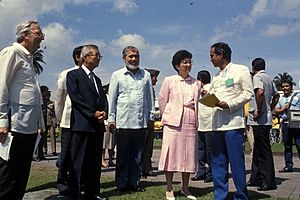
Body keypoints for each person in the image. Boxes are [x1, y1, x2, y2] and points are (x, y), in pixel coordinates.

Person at [0, 20, 45, 200]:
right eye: (38, 33)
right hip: (14, 126)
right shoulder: (12, 53)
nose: (42, 37)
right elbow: (1, 87)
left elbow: (34, 96)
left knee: (21, 174)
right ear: (25, 35)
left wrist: (39, 123)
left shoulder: (28, 59)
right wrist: (2, 120)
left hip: (29, 127)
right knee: (7, 174)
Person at [107, 46, 155, 192]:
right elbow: (112, 99)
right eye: (130, 56)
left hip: (140, 122)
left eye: (136, 56)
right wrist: (111, 118)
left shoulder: (145, 75)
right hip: (123, 122)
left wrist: (151, 116)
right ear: (124, 58)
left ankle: (134, 183)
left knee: (137, 156)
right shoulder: (117, 75)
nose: (134, 59)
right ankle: (121, 184)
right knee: (122, 156)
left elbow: (149, 98)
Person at [209, 42, 253, 200]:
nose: (211, 59)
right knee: (218, 163)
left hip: (233, 124)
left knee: (236, 163)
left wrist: (230, 104)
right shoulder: (217, 76)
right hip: (217, 125)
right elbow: (211, 93)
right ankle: (220, 195)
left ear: (221, 55)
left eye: (212, 55)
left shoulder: (240, 70)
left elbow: (248, 93)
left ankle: (241, 196)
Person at [66, 44, 108, 200]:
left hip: (97, 127)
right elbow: (76, 98)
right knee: (78, 162)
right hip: (82, 125)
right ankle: (75, 194)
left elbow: (102, 99)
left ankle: (93, 193)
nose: (98, 58)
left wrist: (104, 112)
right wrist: (92, 113)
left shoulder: (97, 79)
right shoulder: (73, 75)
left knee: (94, 163)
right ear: (85, 57)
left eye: (99, 55)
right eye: (95, 55)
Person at [158, 50, 201, 200]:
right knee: (171, 154)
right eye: (184, 62)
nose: (188, 65)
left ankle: (185, 188)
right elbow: (162, 101)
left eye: (189, 62)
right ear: (177, 65)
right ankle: (169, 188)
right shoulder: (169, 80)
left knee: (188, 154)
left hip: (190, 121)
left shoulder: (197, 83)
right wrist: (168, 116)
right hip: (173, 122)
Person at [247, 58, 279, 191]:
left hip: (259, 120)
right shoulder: (269, 79)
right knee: (259, 148)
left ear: (253, 67)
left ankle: (268, 180)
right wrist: (269, 108)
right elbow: (276, 96)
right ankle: (255, 177)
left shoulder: (257, 78)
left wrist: (259, 110)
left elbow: (259, 92)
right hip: (266, 119)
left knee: (263, 150)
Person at [55, 45, 83, 196]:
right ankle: (62, 184)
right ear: (78, 57)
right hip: (68, 120)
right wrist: (60, 119)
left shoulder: (90, 76)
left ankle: (77, 183)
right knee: (65, 155)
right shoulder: (66, 74)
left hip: (84, 123)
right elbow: (59, 99)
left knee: (80, 154)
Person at [191, 70, 213, 183]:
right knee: (200, 150)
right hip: (200, 125)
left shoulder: (210, 88)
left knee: (209, 151)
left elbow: (214, 103)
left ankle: (210, 173)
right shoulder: (198, 91)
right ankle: (201, 172)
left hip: (209, 125)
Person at [275, 79, 300, 173]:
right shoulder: (280, 98)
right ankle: (288, 166)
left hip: (296, 123)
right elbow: (276, 111)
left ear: (291, 87)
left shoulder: (297, 96)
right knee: (287, 145)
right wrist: (283, 109)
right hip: (285, 123)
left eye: (286, 86)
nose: (285, 88)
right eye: (283, 86)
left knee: (299, 144)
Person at [141, 68, 160, 178]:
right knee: (143, 146)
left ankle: (147, 168)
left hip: (150, 121)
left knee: (149, 146)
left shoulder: (151, 90)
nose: (156, 80)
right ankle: (140, 169)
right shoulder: (144, 89)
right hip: (144, 120)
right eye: (154, 77)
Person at [33, 85, 50, 161]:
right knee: (38, 139)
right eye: (46, 91)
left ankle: (40, 154)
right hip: (39, 121)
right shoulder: (38, 99)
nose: (47, 93)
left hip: (44, 121)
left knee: (43, 139)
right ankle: (36, 155)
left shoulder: (45, 100)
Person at [101, 84, 116, 168]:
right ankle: (102, 159)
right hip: (106, 122)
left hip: (114, 123)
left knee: (112, 143)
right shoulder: (105, 97)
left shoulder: (115, 98)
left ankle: (110, 159)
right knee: (104, 143)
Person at [46, 90, 57, 156]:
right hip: (45, 120)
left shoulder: (52, 103)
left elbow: (55, 113)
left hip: (51, 121)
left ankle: (54, 150)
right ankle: (45, 150)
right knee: (44, 137)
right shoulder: (42, 102)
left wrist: (56, 121)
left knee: (52, 136)